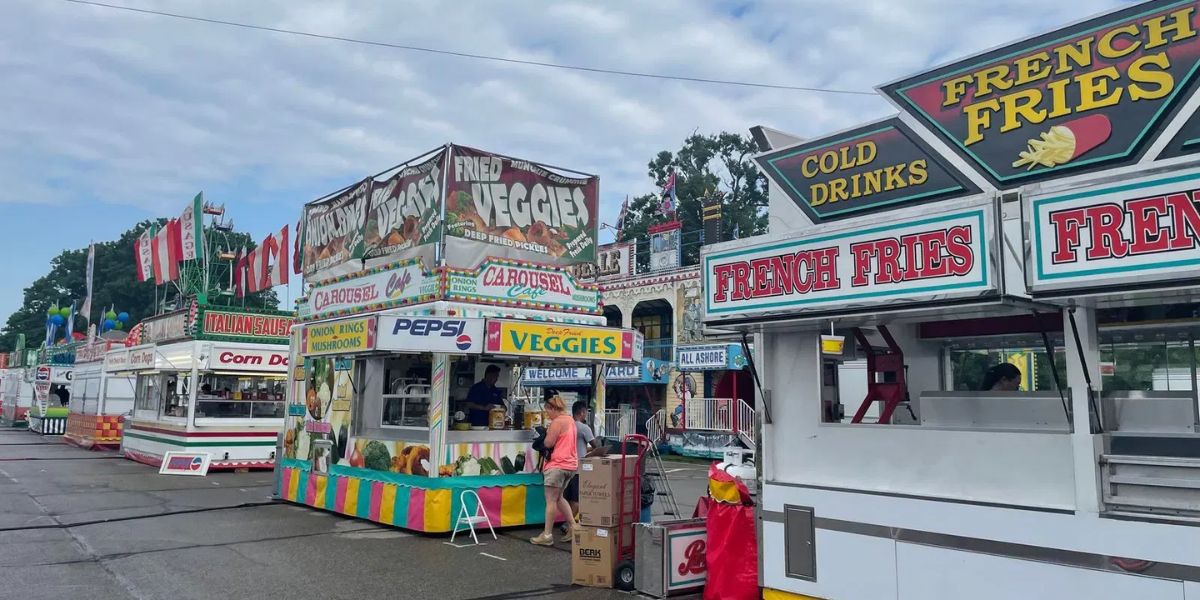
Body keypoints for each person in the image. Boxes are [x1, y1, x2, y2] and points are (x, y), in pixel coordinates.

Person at [530, 394, 577, 546]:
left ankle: (547, 535)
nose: (547, 415)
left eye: (547, 411)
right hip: (571, 465)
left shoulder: (557, 422)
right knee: (559, 498)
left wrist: (544, 436)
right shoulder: (570, 420)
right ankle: (574, 527)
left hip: (557, 465)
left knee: (550, 500)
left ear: (553, 408)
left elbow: (548, 443)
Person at [561, 400, 605, 536]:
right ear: (582, 412)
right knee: (577, 500)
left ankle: (568, 524)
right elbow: (595, 445)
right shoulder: (583, 428)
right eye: (585, 412)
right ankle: (567, 525)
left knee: (568, 498)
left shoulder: (566, 426)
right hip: (578, 469)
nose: (586, 415)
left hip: (565, 466)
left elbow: (577, 446)